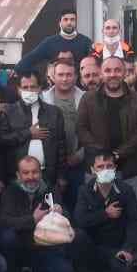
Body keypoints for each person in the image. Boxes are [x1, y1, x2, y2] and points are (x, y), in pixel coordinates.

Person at [78, 55, 137, 202]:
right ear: (101, 73)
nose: (113, 74)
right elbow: (81, 128)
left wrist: (118, 154)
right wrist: (103, 154)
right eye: (108, 70)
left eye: (117, 70)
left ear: (125, 72)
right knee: (96, 210)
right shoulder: (88, 98)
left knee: (131, 210)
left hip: (130, 170)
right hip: (96, 168)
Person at [0, 155, 75, 272]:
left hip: (44, 245)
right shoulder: (10, 191)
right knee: (7, 236)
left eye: (35, 172)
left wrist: (61, 211)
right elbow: (4, 220)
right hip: (20, 243)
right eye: (26, 173)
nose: (31, 176)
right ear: (18, 175)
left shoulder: (50, 189)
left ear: (41, 173)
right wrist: (33, 219)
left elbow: (68, 217)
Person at [71, 150, 137, 272]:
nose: (105, 170)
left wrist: (127, 249)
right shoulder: (84, 190)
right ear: (92, 170)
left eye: (109, 166)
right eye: (100, 167)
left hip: (116, 248)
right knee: (77, 236)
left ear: (115, 168)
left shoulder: (126, 190)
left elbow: (135, 222)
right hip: (92, 246)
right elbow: (79, 220)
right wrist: (105, 214)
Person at [0, 70, 68, 198]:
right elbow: (2, 140)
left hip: (47, 176)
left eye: (33, 87)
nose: (29, 90)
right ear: (18, 89)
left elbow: (61, 146)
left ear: (39, 88)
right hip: (17, 177)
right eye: (25, 87)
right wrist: (28, 133)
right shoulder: (9, 112)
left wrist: (62, 176)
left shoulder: (54, 112)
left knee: (48, 209)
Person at [42, 56, 86, 209]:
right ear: (53, 76)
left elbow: (93, 132)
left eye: (69, 74)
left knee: (77, 205)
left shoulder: (85, 98)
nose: (65, 78)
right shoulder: (43, 98)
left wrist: (79, 155)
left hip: (78, 163)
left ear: (76, 76)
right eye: (60, 74)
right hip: (51, 165)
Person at [17, 9, 93, 76]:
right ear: (60, 23)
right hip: (55, 86)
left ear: (76, 22)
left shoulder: (85, 42)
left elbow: (94, 66)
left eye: (72, 20)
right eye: (65, 19)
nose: (69, 22)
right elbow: (28, 61)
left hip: (79, 86)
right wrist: (37, 80)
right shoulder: (50, 42)